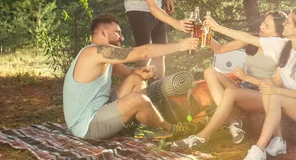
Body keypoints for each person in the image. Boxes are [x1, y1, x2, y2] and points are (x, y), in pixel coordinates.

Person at [189, 7, 296, 160]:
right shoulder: (282, 45)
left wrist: (274, 90)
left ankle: (259, 149)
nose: (285, 23)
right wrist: (217, 28)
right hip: (285, 98)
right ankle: (278, 141)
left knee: (273, 94)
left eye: (288, 22)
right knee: (270, 90)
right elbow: (246, 37)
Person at [63, 14, 199, 140]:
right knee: (138, 99)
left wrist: (144, 71)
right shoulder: (94, 52)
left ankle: (144, 125)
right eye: (117, 33)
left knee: (136, 79)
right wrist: (180, 46)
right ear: (103, 32)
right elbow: (143, 53)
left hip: (100, 110)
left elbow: (132, 73)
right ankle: (170, 129)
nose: (122, 38)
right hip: (87, 126)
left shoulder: (102, 56)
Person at [176, 11, 287, 147]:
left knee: (230, 92)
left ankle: (203, 136)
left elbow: (275, 85)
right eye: (263, 22)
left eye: (267, 26)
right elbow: (220, 49)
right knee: (210, 71)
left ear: (276, 34)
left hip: (264, 95)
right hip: (245, 90)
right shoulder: (252, 38)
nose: (262, 27)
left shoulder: (280, 47)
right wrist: (202, 33)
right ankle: (233, 122)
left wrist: (246, 77)